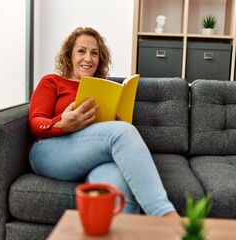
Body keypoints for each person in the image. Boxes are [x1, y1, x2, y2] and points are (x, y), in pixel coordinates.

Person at [28, 27, 179, 218]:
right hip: (49, 151)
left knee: (118, 188)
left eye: (94, 53)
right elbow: (35, 122)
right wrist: (61, 123)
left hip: (93, 154)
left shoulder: (104, 89)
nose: (88, 59)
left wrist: (115, 121)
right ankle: (166, 217)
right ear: (69, 55)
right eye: (81, 51)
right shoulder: (52, 81)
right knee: (123, 132)